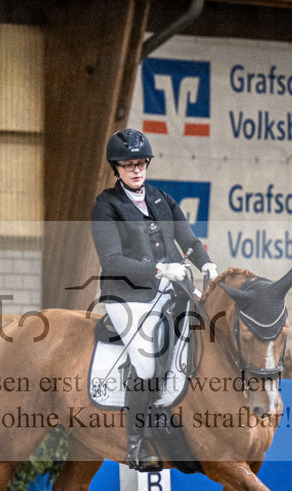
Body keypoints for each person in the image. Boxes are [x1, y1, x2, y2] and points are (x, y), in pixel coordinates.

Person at [91, 128, 218, 472]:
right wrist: (161, 269)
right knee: (147, 362)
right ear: (116, 168)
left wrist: (206, 264)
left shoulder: (162, 199)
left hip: (170, 290)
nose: (136, 170)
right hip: (127, 296)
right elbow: (112, 261)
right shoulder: (107, 206)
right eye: (128, 164)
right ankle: (135, 443)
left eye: (141, 163)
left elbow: (188, 240)